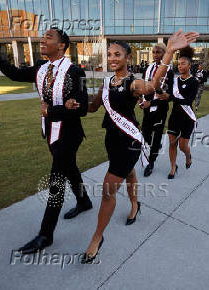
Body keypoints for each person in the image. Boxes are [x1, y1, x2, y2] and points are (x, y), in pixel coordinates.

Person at [67, 30, 198, 264]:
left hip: (128, 142)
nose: (112, 58)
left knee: (108, 190)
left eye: (117, 54)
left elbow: (152, 87)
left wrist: (168, 52)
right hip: (112, 139)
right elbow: (94, 107)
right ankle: (136, 205)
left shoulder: (133, 82)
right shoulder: (107, 82)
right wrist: (75, 102)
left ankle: (97, 237)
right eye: (109, 54)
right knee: (129, 174)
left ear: (128, 57)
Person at [0, 27, 93, 254]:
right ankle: (84, 201)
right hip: (50, 133)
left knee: (56, 181)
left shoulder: (75, 72)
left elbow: (83, 107)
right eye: (43, 36)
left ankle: (45, 234)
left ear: (61, 45)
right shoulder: (41, 67)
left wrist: (53, 112)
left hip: (69, 135)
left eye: (49, 37)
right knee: (70, 168)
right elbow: (15, 74)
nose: (42, 40)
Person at [140, 43, 174, 177]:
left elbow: (169, 94)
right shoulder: (148, 68)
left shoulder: (169, 71)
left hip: (160, 108)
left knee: (156, 136)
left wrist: (151, 102)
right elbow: (144, 85)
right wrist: (141, 99)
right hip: (147, 107)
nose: (155, 55)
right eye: (153, 52)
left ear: (164, 54)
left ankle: (151, 162)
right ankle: (156, 145)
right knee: (145, 132)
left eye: (158, 52)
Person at [167, 46, 198, 179]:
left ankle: (187, 155)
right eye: (178, 64)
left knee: (182, 146)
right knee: (172, 144)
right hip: (174, 116)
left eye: (183, 63)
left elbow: (188, 100)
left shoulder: (194, 81)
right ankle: (173, 167)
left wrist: (171, 97)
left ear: (189, 65)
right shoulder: (175, 81)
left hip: (187, 118)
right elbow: (169, 96)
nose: (180, 66)